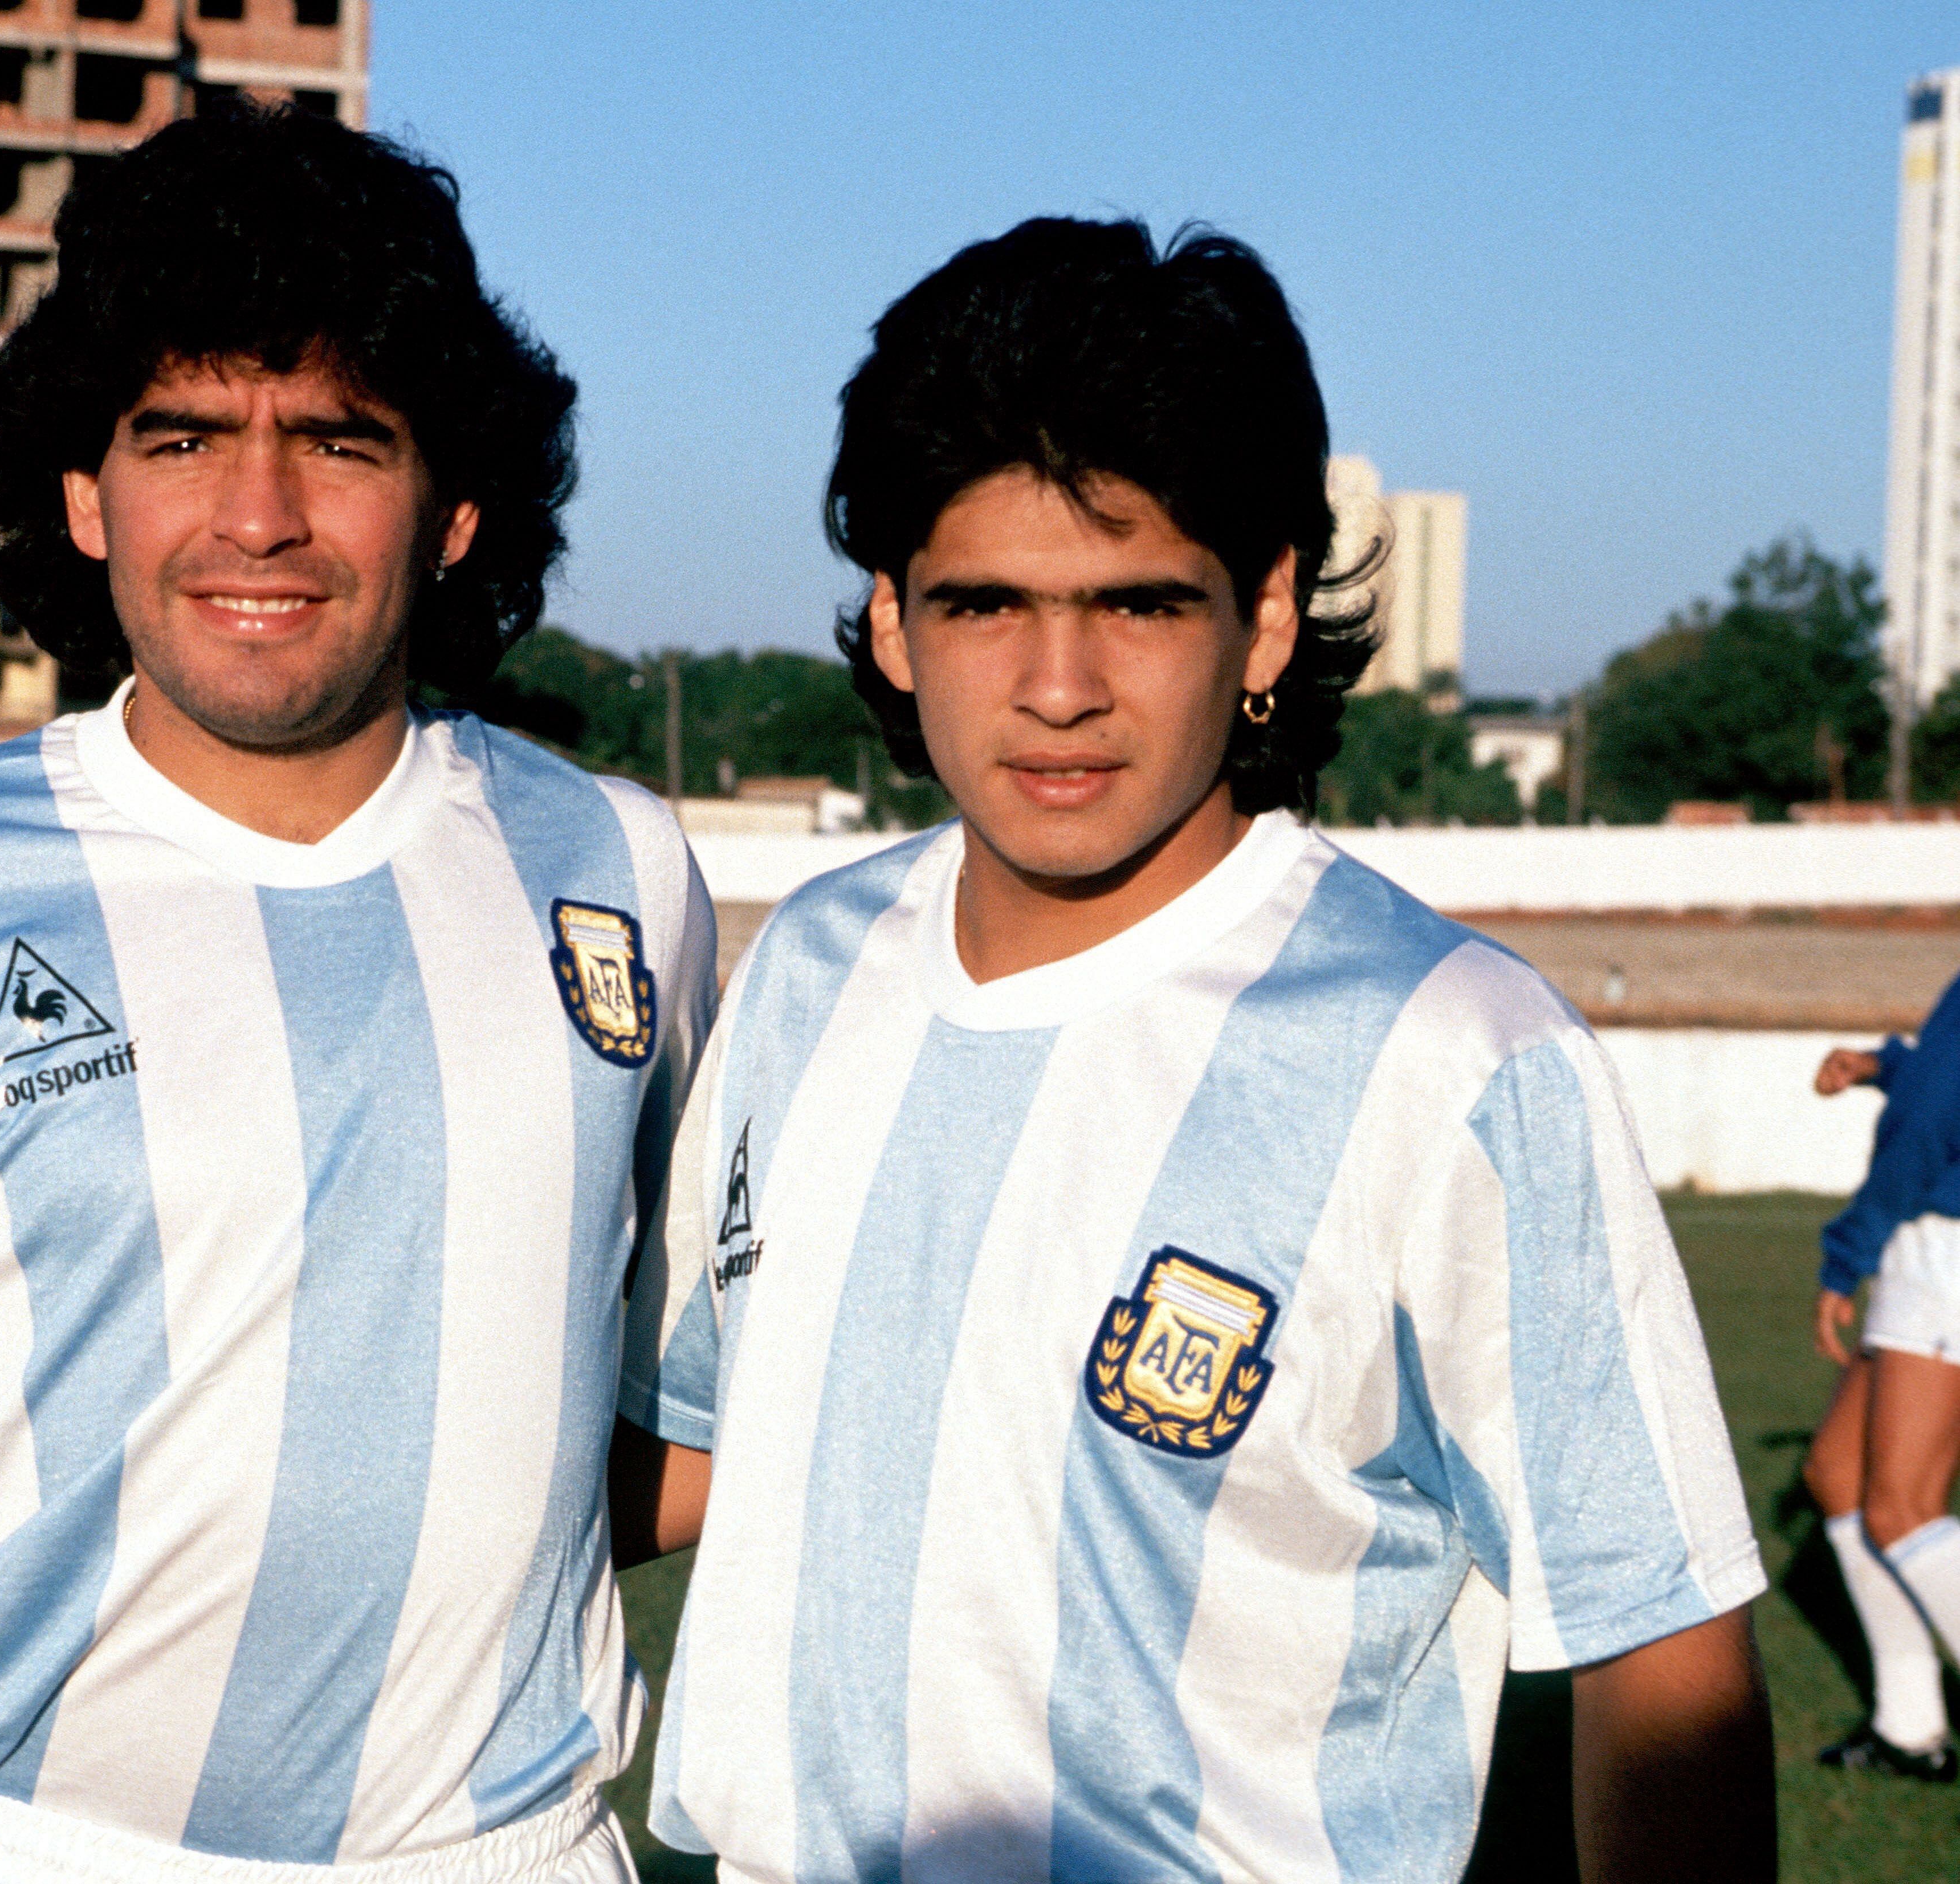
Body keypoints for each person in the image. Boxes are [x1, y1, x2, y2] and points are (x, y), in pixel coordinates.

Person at [0, 103, 714, 1884]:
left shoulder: (616, 871)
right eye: (183, 435)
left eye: (338, 438)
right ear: (86, 495)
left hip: (506, 1853)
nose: (260, 513)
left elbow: (665, 1408)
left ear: (453, 501)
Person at [609, 218, 1772, 1883]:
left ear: (1269, 616)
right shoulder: (808, 965)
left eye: (1138, 602)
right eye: (984, 602)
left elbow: (1658, 1649)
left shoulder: (1450, 1056)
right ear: (890, 623)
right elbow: (715, 1440)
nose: (1058, 684)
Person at [1802, 983, 1960, 1779]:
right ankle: (1909, 1727)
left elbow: (1929, 1123)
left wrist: (1848, 1251)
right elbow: (1941, 1077)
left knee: (1901, 1510)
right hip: (1938, 1251)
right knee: (1840, 1476)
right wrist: (1885, 1064)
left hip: (1945, 1249)